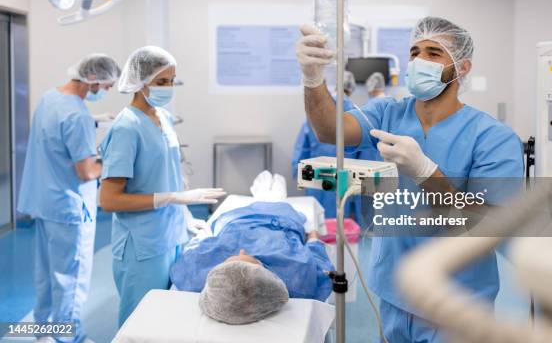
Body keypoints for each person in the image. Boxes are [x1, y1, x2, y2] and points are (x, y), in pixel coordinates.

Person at [295, 16, 524, 342]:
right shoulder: (387, 112)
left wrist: (426, 172)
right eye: (415, 52)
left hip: (457, 299)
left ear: (463, 67)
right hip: (395, 289)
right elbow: (328, 129)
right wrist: (312, 78)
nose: (419, 60)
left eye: (434, 53)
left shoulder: (493, 138)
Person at [98, 46, 226, 327]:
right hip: (142, 246)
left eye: (171, 81)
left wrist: (187, 217)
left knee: (167, 317)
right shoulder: (126, 128)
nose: (168, 88)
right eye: (161, 82)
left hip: (171, 234)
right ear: (139, 82)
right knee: (141, 323)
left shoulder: (163, 118)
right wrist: (173, 198)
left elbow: (167, 171)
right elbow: (108, 200)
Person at [17, 54, 121, 343]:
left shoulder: (51, 98)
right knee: (70, 279)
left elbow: (56, 130)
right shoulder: (77, 116)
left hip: (43, 203)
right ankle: (69, 337)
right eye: (108, 86)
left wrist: (93, 121)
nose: (107, 92)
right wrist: (113, 165)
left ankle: (44, 333)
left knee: (47, 276)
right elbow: (87, 171)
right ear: (95, 80)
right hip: (68, 209)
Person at [171, 202, 334, 302]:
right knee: (275, 191)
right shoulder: (298, 278)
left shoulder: (197, 277)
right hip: (282, 218)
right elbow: (321, 265)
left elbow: (194, 249)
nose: (242, 250)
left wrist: (204, 233)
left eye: (230, 259)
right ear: (264, 270)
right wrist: (313, 237)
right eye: (245, 256)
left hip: (235, 220)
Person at [291, 71, 359, 218]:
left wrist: (297, 170)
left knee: (317, 221)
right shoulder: (356, 113)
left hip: (316, 173)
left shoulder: (317, 114)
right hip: (344, 176)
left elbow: (303, 146)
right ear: (351, 88)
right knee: (340, 224)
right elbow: (366, 153)